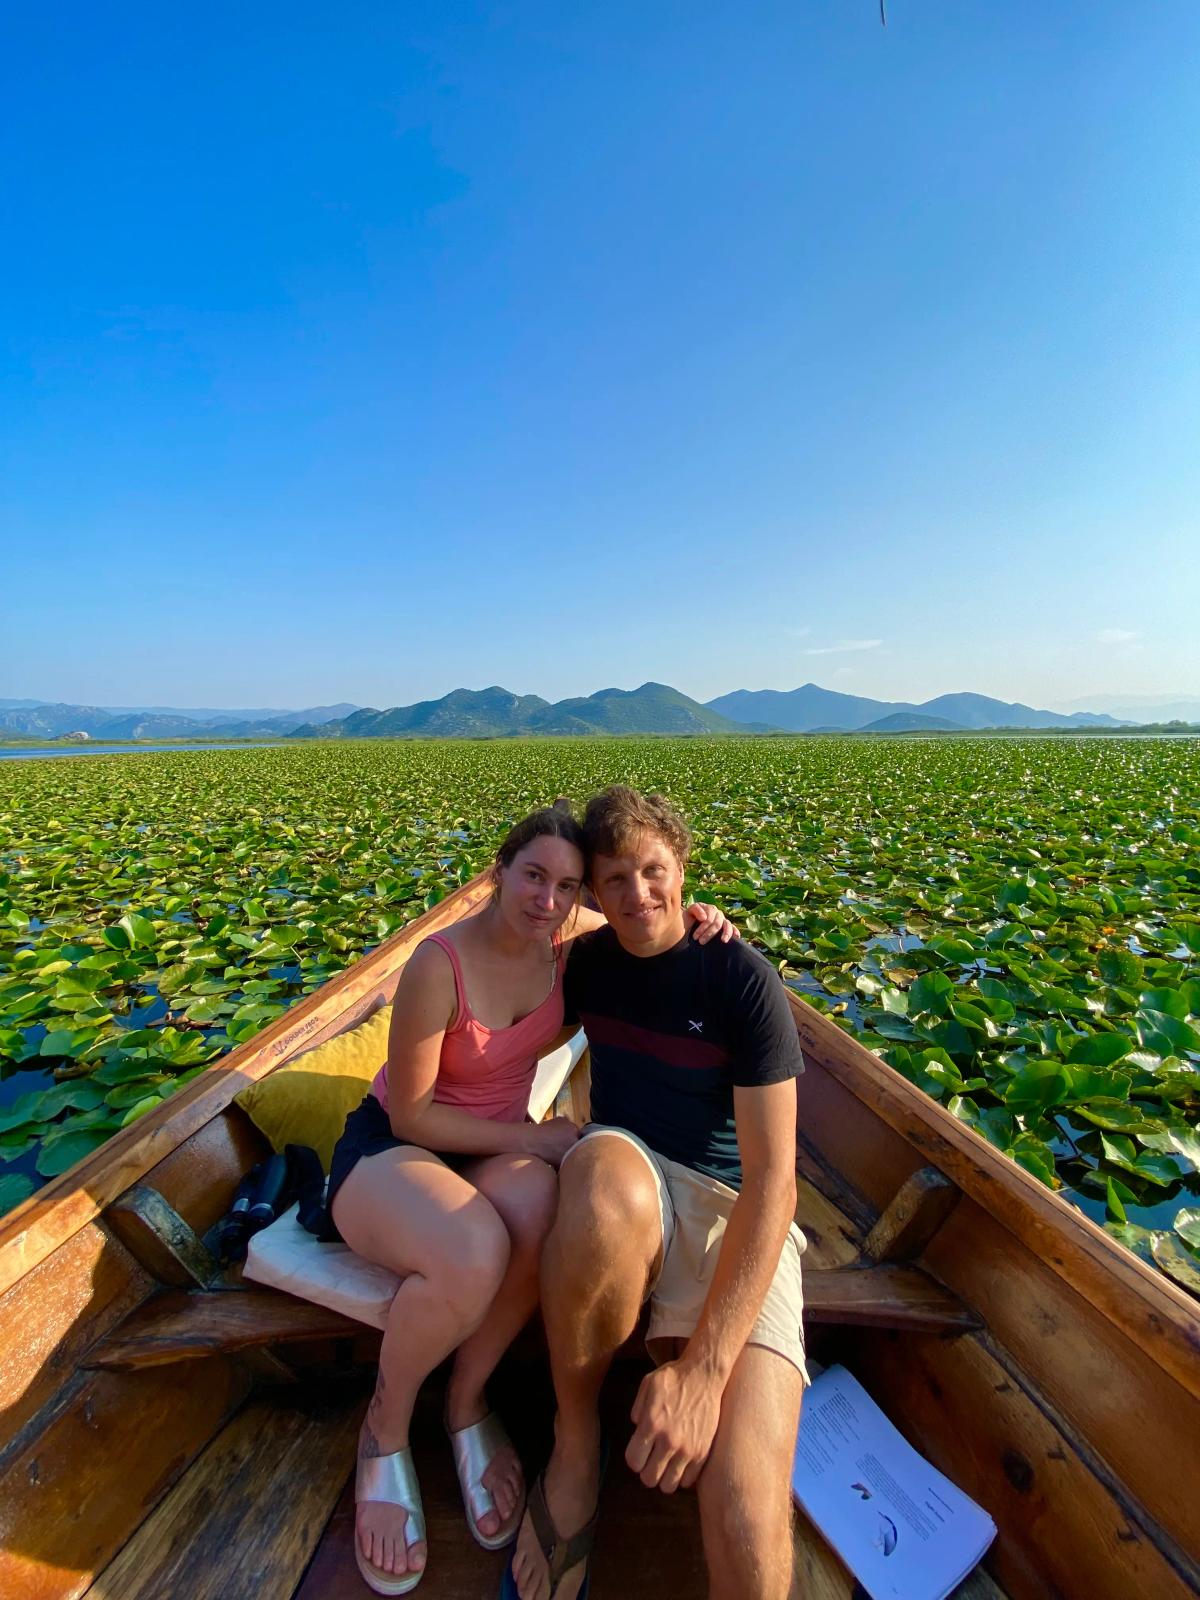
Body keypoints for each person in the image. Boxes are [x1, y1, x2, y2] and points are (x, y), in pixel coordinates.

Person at [327, 800, 735, 1596]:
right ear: (499, 873)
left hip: (487, 1151)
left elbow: (650, 935)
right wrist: (533, 1138)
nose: (548, 899)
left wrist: (706, 919)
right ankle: (383, 1431)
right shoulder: (435, 965)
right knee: (478, 1245)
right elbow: (411, 1113)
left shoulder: (566, 959)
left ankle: (467, 1403)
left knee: (543, 1212)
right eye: (534, 876)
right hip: (394, 1149)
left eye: (568, 886)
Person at [506, 786, 807, 1600]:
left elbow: (775, 1185)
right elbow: (500, 997)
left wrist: (706, 1373)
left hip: (732, 1210)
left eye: (654, 872)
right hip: (626, 1169)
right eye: (614, 882)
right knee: (600, 1180)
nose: (638, 895)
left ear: (683, 871)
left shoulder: (740, 980)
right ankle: (575, 1444)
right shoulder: (589, 967)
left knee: (748, 1517)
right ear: (593, 899)